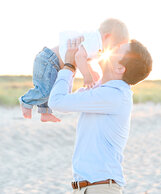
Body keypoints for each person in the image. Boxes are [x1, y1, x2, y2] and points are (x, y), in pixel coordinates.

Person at [48, 38, 152, 193]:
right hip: (90, 188)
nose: (108, 49)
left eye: (116, 50)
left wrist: (69, 66)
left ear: (119, 68)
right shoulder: (105, 91)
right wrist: (81, 61)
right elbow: (65, 102)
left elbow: (57, 102)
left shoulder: (113, 95)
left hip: (100, 188)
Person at [19, 18, 129, 122]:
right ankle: (26, 101)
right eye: (116, 46)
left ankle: (45, 113)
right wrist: (87, 75)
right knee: (45, 90)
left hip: (54, 63)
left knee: (52, 89)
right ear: (107, 37)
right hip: (50, 60)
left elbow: (84, 57)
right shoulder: (95, 41)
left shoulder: (96, 45)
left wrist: (91, 71)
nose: (114, 50)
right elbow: (79, 56)